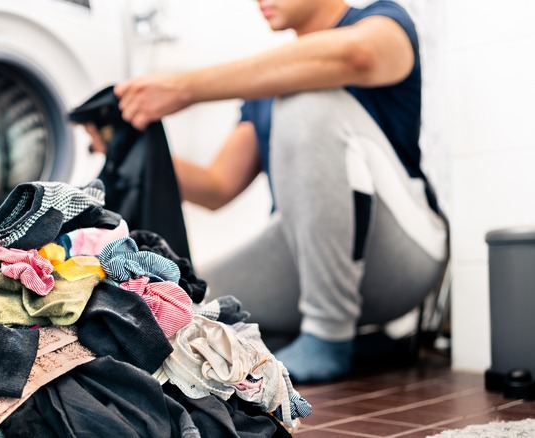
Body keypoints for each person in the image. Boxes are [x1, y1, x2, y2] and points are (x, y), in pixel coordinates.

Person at [84, 0, 448, 383]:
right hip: (308, 257)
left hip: (403, 255)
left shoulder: (382, 22)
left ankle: (328, 334)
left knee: (304, 94)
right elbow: (218, 186)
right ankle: (355, 345)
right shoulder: (264, 91)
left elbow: (357, 55)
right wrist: (121, 148)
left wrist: (185, 88)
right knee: (188, 307)